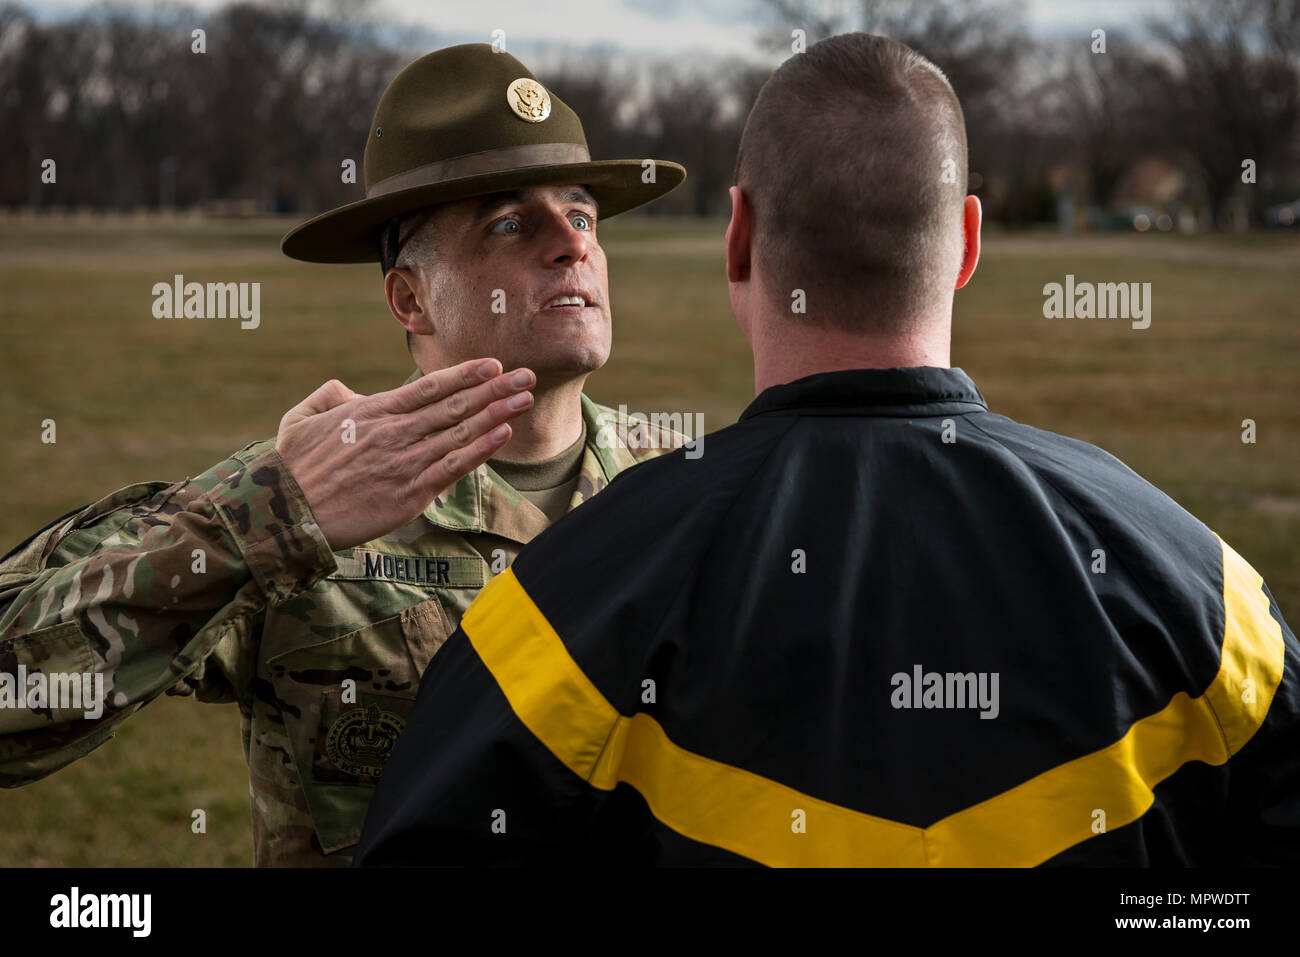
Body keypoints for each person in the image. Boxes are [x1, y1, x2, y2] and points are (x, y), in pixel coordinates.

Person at [354, 33, 1300, 867]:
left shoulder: (567, 602)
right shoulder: (1205, 595)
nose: (570, 246)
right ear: (967, 243)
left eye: (580, 216)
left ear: (740, 239)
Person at [0, 43, 689, 866]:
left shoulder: (685, 487)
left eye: (581, 216)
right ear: (410, 295)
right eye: (510, 223)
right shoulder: (308, 492)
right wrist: (269, 520)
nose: (572, 245)